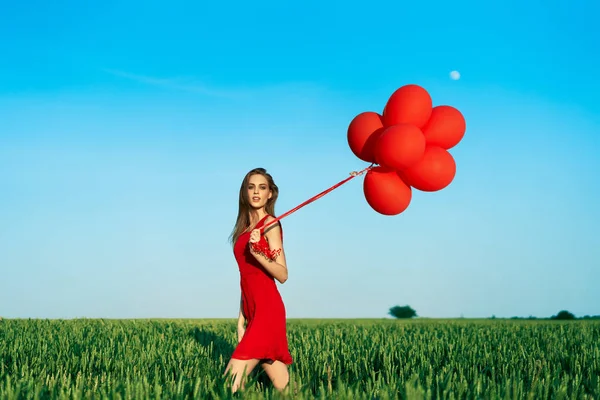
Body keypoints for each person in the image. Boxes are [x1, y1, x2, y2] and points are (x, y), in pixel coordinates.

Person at [223, 167, 293, 394]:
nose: (256, 192)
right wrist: (242, 317)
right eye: (251, 187)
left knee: (230, 383)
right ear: (244, 192)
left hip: (267, 311)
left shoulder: (271, 224)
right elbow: (247, 278)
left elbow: (282, 274)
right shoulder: (243, 229)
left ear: (270, 194)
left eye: (262, 188)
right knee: (284, 388)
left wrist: (258, 252)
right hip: (252, 310)